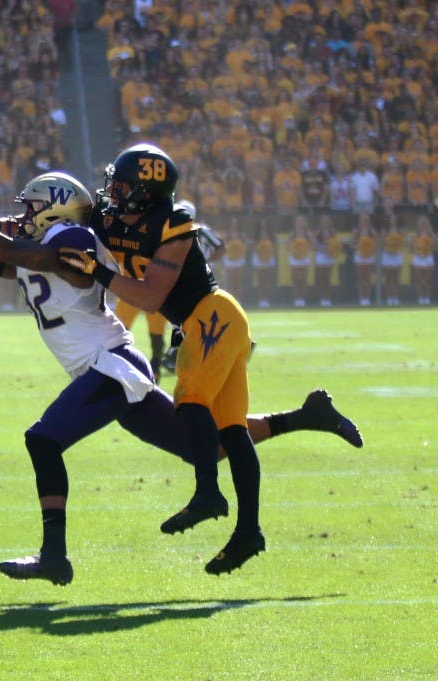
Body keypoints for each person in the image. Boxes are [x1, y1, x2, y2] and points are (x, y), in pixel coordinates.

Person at [0, 165, 362, 584]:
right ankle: (304, 417)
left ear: (54, 210)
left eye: (32, 206)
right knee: (206, 447)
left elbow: (18, 254)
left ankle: (54, 557)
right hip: (107, 368)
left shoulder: (67, 241)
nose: (24, 214)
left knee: (43, 439)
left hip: (110, 366)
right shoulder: (34, 244)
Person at [61, 143, 266, 575]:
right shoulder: (109, 216)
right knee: (232, 428)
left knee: (190, 398)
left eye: (122, 184)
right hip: (200, 324)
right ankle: (249, 531)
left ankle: (208, 493)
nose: (112, 190)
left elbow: (151, 296)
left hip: (214, 315)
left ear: (145, 191)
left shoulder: (174, 222)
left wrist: (97, 271)